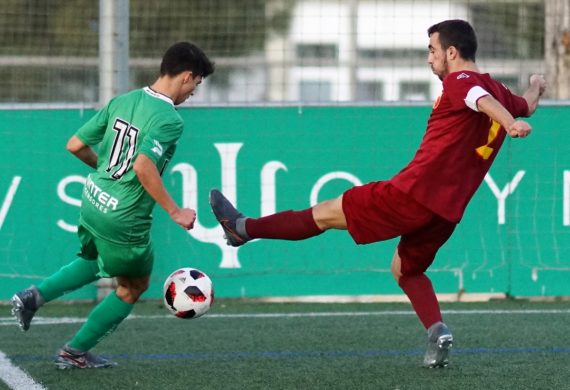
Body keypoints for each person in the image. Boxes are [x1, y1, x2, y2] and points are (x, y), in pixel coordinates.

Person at [209, 19, 546, 368]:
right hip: (446, 213)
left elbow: (481, 100)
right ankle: (438, 331)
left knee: (323, 213)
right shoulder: (497, 89)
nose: (429, 59)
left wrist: (509, 124)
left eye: (432, 51)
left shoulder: (463, 82)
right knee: (405, 271)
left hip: (411, 194)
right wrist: (535, 87)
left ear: (451, 52)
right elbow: (526, 104)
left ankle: (242, 228)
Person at [11, 42, 214, 369]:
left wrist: (105, 172)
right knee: (134, 285)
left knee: (96, 258)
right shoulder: (170, 119)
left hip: (93, 200)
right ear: (187, 76)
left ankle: (32, 297)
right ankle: (74, 351)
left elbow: (75, 145)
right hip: (124, 219)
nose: (193, 93)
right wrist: (175, 211)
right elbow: (143, 166)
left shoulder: (124, 100)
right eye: (196, 85)